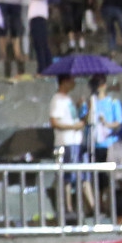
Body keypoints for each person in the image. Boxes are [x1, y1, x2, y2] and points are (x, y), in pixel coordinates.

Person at [50, 75, 92, 214]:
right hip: (66, 143)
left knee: (81, 175)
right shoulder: (58, 100)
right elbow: (54, 122)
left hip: (75, 142)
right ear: (64, 81)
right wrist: (73, 127)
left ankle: (91, 206)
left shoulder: (68, 99)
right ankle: (68, 208)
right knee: (67, 177)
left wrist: (83, 108)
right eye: (71, 80)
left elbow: (77, 120)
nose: (74, 82)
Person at [21, 0, 52, 74]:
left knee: (40, 43)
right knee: (40, 42)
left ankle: (43, 69)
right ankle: (47, 67)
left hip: (38, 14)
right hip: (34, 14)